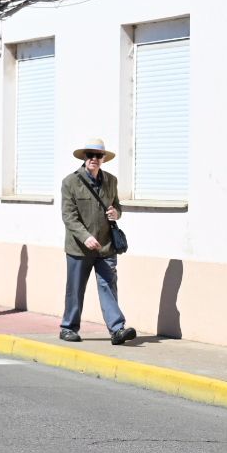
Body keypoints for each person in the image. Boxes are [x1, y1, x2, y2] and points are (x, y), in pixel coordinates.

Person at [60, 138, 137, 346]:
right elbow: (69, 216)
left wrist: (116, 213)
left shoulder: (111, 181)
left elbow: (117, 206)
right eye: (90, 155)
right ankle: (68, 328)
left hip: (106, 246)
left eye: (98, 155)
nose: (94, 159)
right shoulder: (70, 182)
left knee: (108, 287)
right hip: (79, 248)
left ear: (103, 159)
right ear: (84, 158)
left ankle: (117, 329)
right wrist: (85, 237)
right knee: (75, 289)